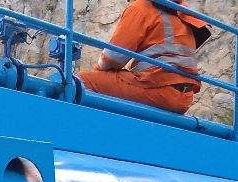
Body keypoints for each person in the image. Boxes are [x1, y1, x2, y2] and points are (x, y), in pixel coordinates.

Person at [78, 0, 212, 115]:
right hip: (184, 97)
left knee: (81, 81)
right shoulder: (180, 11)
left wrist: (98, 72)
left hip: (158, 89)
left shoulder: (141, 7)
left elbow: (113, 58)